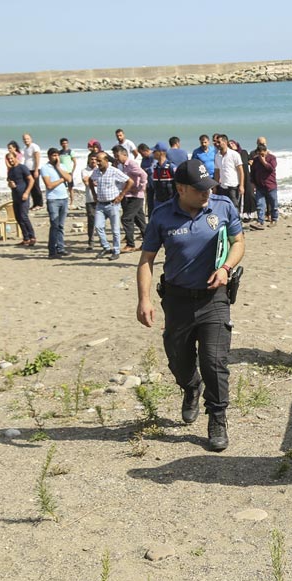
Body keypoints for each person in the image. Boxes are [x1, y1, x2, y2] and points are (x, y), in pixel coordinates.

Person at [136, 158, 245, 452]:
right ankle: (190, 386)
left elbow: (238, 242)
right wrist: (143, 299)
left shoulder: (222, 206)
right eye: (199, 189)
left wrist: (226, 268)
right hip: (177, 300)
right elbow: (146, 260)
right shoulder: (161, 216)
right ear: (181, 188)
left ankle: (217, 417)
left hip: (214, 298)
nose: (206, 193)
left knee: (214, 361)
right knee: (179, 361)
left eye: (208, 186)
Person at [88, 150, 134, 260]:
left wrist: (121, 195)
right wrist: (94, 194)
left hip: (113, 204)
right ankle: (106, 247)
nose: (97, 163)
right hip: (100, 204)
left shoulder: (114, 171)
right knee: (98, 226)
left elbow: (130, 181)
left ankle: (116, 250)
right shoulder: (96, 171)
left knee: (115, 230)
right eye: (96, 161)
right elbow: (90, 180)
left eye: (99, 161)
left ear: (106, 160)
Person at [39, 147, 73, 258]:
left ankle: (60, 248)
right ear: (49, 156)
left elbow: (69, 178)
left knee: (61, 225)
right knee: (54, 225)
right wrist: (61, 180)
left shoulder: (61, 166)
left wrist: (58, 167)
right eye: (53, 155)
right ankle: (52, 250)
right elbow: (49, 185)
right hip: (53, 199)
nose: (56, 157)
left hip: (64, 198)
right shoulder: (45, 168)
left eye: (57, 155)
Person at [113, 144, 148, 252]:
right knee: (140, 220)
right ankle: (149, 242)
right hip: (128, 195)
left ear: (124, 154)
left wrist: (140, 187)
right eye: (114, 155)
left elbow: (143, 174)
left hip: (136, 196)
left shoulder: (131, 164)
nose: (116, 158)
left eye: (117, 155)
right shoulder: (121, 165)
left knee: (126, 219)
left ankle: (130, 244)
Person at [5, 152, 37, 247]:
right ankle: (26, 238)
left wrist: (27, 193)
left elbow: (31, 180)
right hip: (15, 196)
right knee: (18, 218)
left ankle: (32, 237)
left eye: (11, 158)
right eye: (8, 159)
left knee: (24, 217)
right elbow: (9, 181)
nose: (10, 160)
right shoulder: (10, 170)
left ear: (16, 157)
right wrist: (10, 185)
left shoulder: (22, 167)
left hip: (24, 196)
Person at [250, 142, 279, 228]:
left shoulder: (272, 158)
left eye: (262, 154)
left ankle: (274, 219)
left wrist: (263, 161)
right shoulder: (255, 160)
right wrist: (253, 183)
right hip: (260, 186)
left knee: (273, 204)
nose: (261, 156)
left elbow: (271, 168)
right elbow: (253, 172)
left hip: (270, 186)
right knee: (260, 204)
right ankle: (260, 221)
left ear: (266, 151)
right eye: (259, 154)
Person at [213, 134, 244, 213]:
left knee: (234, 206)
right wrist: (215, 186)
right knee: (223, 207)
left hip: (233, 186)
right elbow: (217, 172)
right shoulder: (217, 156)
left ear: (225, 142)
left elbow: (240, 171)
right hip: (222, 186)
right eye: (216, 142)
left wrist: (241, 185)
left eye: (219, 142)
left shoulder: (234, 154)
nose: (217, 144)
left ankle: (236, 223)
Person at [148, 142, 178, 214]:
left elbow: (179, 184)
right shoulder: (155, 168)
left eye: (155, 151)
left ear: (161, 152)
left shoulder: (171, 167)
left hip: (170, 202)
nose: (153, 153)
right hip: (158, 202)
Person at [22, 133, 44, 209]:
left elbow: (37, 158)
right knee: (30, 187)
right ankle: (35, 203)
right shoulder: (25, 148)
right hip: (27, 169)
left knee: (36, 186)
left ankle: (40, 204)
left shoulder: (34, 146)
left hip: (34, 169)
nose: (26, 140)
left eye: (27, 138)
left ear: (31, 139)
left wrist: (36, 170)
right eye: (24, 139)